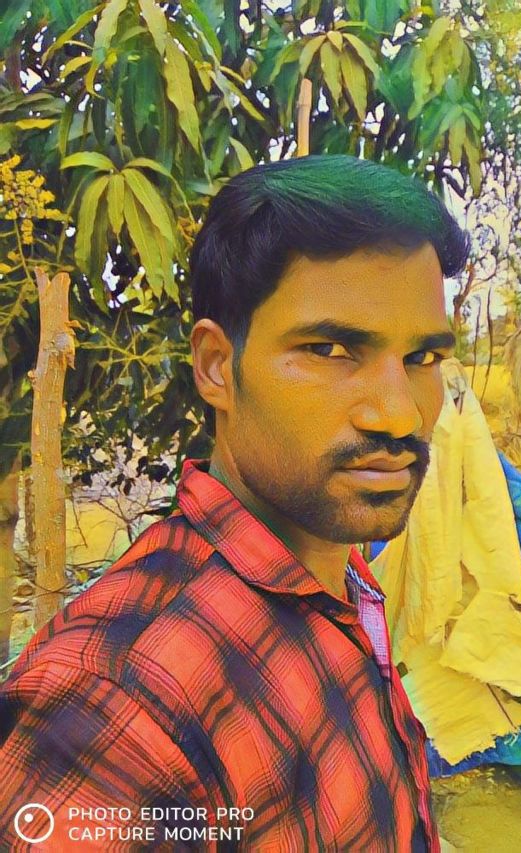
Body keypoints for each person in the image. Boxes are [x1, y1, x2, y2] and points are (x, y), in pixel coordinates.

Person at [0, 155, 468, 851]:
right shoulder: (113, 712)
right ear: (217, 366)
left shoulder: (338, 570)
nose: (400, 414)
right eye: (331, 348)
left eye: (422, 358)